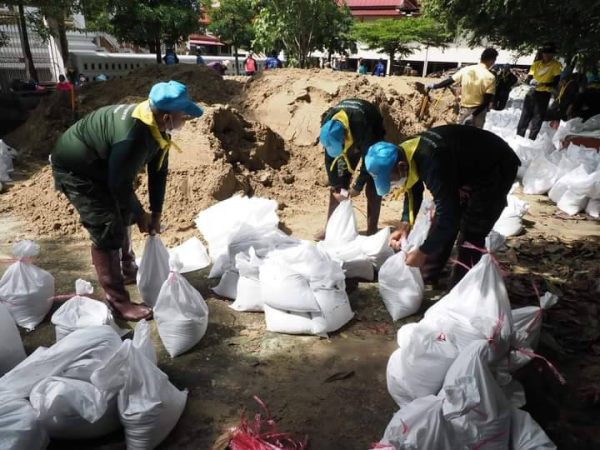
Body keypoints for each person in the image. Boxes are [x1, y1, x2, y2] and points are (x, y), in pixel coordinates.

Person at [50, 81, 203, 321]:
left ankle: (127, 268)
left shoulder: (157, 128)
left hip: (101, 162)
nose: (185, 119)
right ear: (165, 117)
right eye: (182, 115)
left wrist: (156, 212)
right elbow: (118, 184)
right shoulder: (132, 136)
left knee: (125, 212)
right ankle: (118, 302)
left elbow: (158, 172)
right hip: (76, 168)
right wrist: (142, 215)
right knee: (107, 225)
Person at [364, 125, 520, 287]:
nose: (393, 184)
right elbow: (413, 188)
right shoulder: (405, 150)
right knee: (441, 216)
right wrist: (405, 224)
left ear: (402, 167)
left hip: (495, 167)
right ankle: (428, 276)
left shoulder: (432, 161)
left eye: (391, 180)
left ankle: (460, 288)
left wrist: (423, 251)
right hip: (462, 167)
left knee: (472, 230)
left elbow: (450, 218)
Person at [317, 98, 386, 239]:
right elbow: (329, 158)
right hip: (350, 134)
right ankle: (330, 229)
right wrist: (334, 183)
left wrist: (357, 187)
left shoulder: (363, 124)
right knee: (338, 187)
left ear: (345, 138)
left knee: (374, 180)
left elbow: (370, 161)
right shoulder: (328, 124)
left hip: (372, 129)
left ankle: (372, 230)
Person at [427, 48, 498, 128]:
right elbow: (486, 101)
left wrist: (434, 86)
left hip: (464, 110)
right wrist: (473, 115)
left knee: (460, 135)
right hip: (479, 112)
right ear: (492, 60)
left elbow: (450, 81)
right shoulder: (491, 77)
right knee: (476, 137)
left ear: (481, 58)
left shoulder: (466, 70)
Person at [517, 44, 562, 140]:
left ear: (552, 55)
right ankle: (519, 136)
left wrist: (544, 84)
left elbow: (556, 81)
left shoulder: (556, 65)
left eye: (549, 54)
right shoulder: (536, 64)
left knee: (538, 117)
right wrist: (531, 81)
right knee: (525, 114)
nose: (547, 56)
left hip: (544, 93)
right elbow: (529, 78)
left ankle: (531, 139)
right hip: (532, 91)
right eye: (545, 53)